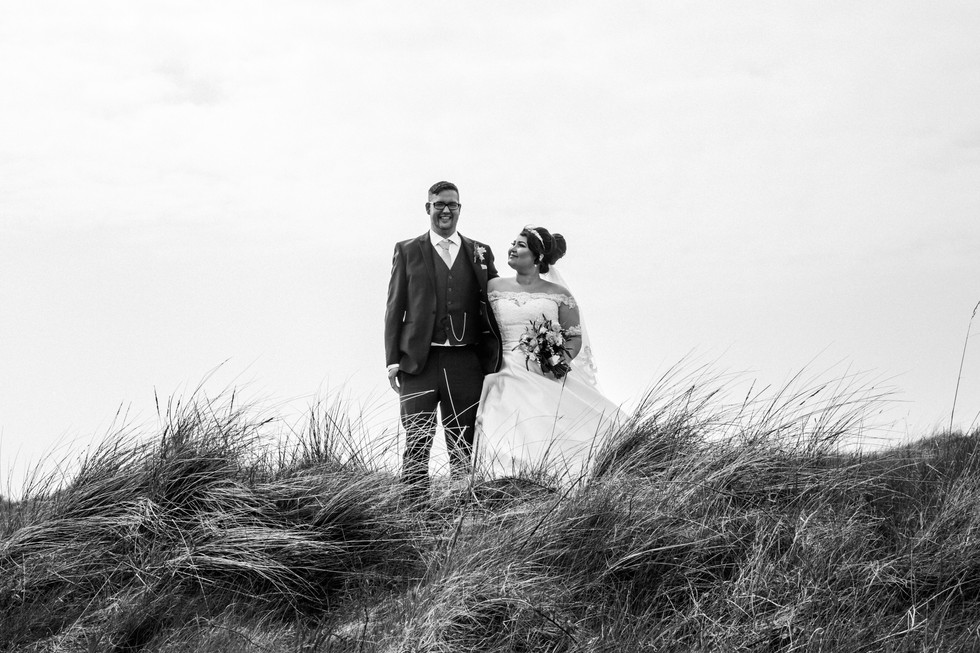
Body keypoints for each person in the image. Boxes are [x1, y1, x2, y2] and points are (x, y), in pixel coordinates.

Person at [384, 181, 503, 501]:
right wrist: (392, 360)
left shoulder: (480, 251)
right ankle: (413, 508)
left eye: (452, 204)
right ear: (428, 208)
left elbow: (496, 301)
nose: (446, 210)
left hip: (466, 362)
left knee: (463, 441)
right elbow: (395, 307)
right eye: (439, 204)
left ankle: (461, 507)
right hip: (417, 362)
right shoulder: (407, 250)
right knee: (417, 440)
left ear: (460, 209)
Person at [476, 225, 621, 479]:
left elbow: (574, 337)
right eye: (513, 243)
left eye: (521, 245)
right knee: (502, 432)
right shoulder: (493, 287)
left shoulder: (560, 295)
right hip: (502, 371)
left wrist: (555, 361)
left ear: (538, 256)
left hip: (544, 371)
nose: (512, 248)